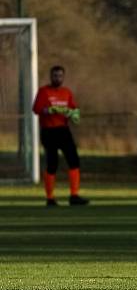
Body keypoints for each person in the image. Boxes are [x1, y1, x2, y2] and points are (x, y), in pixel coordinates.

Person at [32, 65, 89, 206]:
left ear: (63, 77)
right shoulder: (43, 92)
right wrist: (49, 110)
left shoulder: (66, 92)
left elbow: (73, 109)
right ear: (51, 76)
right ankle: (50, 198)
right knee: (52, 163)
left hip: (63, 130)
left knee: (73, 160)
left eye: (60, 76)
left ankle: (74, 195)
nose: (57, 78)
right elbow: (37, 109)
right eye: (55, 75)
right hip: (49, 131)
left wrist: (73, 114)